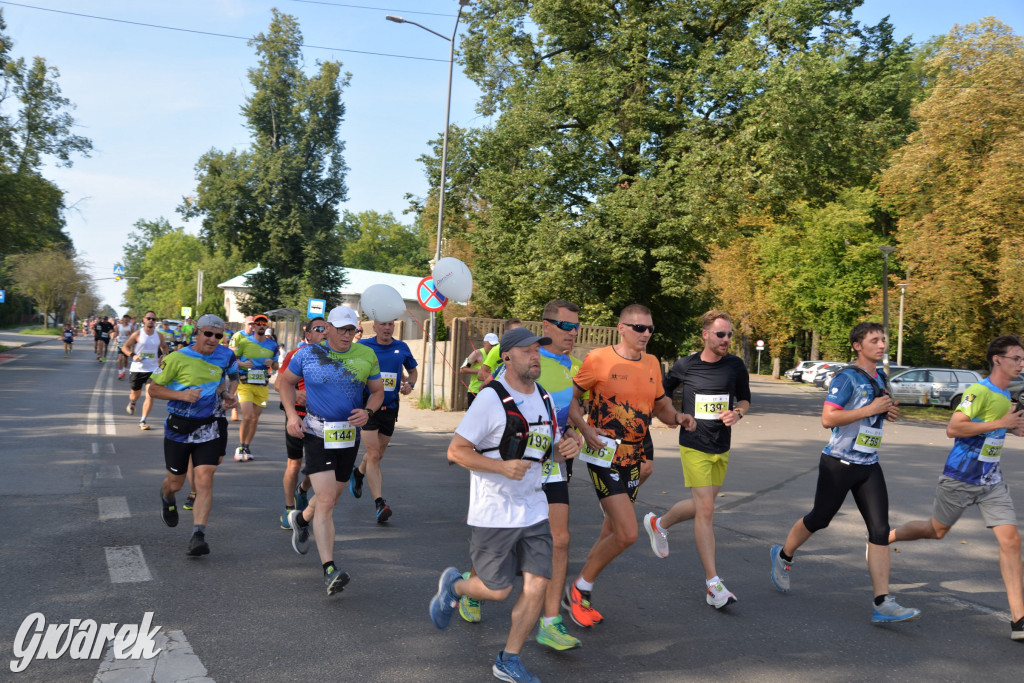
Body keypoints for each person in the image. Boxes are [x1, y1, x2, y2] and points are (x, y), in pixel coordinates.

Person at [430, 327, 580, 683]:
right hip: (495, 511)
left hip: (534, 508)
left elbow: (545, 450)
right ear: (507, 357)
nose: (535, 357)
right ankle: (456, 586)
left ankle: (508, 659)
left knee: (537, 584)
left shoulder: (543, 397)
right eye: (527, 351)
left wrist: (563, 450)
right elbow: (456, 452)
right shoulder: (490, 399)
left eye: (538, 352)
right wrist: (500, 466)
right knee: (497, 590)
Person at [768, 322, 920, 623]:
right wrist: (870, 409)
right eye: (874, 340)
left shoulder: (882, 377)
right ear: (857, 346)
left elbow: (874, 412)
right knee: (819, 519)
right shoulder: (846, 378)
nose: (881, 344)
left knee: (879, 530)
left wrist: (887, 412)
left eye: (883, 339)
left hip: (868, 464)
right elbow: (828, 418)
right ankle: (783, 555)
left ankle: (882, 602)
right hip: (839, 463)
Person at [565, 304, 694, 627]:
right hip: (604, 455)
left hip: (633, 458)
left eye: (650, 329)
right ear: (621, 328)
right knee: (628, 533)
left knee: (610, 530)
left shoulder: (651, 363)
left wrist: (677, 417)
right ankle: (579, 589)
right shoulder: (599, 359)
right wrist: (584, 429)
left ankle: (581, 589)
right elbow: (570, 397)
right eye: (639, 328)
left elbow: (661, 404)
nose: (646, 334)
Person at [888, 335, 1024, 639]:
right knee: (936, 531)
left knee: (1011, 540)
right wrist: (1000, 424)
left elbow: (998, 429)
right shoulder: (979, 390)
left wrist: (1013, 428)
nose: (1021, 364)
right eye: (1016, 358)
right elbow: (954, 428)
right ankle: (885, 538)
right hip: (960, 477)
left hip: (991, 480)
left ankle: (1019, 620)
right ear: (998, 359)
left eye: (1023, 359)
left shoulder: (1006, 395)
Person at [643, 310, 751, 609]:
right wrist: (675, 416)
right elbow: (659, 395)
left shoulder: (735, 366)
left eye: (729, 334)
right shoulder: (685, 365)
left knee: (704, 505)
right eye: (720, 334)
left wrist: (738, 413)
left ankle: (659, 523)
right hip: (693, 445)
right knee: (706, 510)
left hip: (722, 446)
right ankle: (713, 585)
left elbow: (744, 399)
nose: (726, 339)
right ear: (705, 334)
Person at [280, 306, 384, 595]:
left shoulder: (366, 355)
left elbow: (377, 392)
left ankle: (301, 520)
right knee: (325, 499)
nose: (347, 335)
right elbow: (284, 383)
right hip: (316, 433)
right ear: (327, 328)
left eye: (351, 330)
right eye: (341, 330)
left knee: (332, 498)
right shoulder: (308, 354)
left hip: (348, 437)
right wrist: (291, 415)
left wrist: (368, 411)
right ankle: (329, 569)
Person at [149, 314, 238, 556]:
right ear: (196, 333)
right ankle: (166, 496)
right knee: (176, 483)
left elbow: (229, 378)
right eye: (208, 333)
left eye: (218, 336)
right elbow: (153, 388)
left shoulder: (225, 355)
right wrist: (182, 395)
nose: (212, 339)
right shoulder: (177, 357)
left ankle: (198, 535)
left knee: (205, 479)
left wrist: (228, 394)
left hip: (208, 426)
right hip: (178, 428)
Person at [349, 317, 418, 523]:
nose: (387, 328)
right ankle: (380, 503)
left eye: (391, 325)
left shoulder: (402, 347)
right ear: (375, 327)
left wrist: (410, 385)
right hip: (368, 407)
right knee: (373, 453)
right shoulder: (362, 346)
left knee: (377, 455)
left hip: (390, 408)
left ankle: (359, 473)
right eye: (383, 324)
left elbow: (412, 371)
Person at [274, 317, 327, 529]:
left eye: (327, 328)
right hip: (298, 416)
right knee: (295, 464)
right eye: (318, 329)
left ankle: (302, 489)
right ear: (308, 335)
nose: (324, 332)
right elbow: (279, 384)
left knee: (321, 467)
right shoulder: (296, 355)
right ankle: (289, 508)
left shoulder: (337, 356)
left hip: (324, 419)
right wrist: (295, 393)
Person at [232, 313, 279, 461]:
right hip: (245, 385)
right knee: (246, 416)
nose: (260, 325)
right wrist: (242, 364)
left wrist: (272, 363)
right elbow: (233, 360)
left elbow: (277, 366)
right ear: (253, 326)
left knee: (254, 419)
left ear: (267, 326)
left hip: (262, 387)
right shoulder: (245, 342)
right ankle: (240, 446)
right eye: (257, 323)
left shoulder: (272, 345)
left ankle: (246, 446)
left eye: (263, 323)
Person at [121, 311, 169, 431]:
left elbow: (165, 348)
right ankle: (132, 402)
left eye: (153, 319)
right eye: (149, 318)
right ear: (144, 320)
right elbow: (125, 347)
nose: (151, 321)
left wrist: (164, 355)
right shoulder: (137, 334)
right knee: (135, 394)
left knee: (150, 394)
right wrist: (133, 356)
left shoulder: (159, 336)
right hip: (137, 368)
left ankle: (143, 420)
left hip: (152, 369)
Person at [478, 319, 522, 387]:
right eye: (515, 331)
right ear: (506, 332)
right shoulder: (498, 349)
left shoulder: (524, 349)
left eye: (520, 332)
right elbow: (481, 374)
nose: (518, 334)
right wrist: (499, 382)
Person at [462, 333, 499, 407]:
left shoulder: (497, 354)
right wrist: (480, 371)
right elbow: (463, 369)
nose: (493, 347)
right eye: (491, 345)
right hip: (475, 391)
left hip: (491, 391)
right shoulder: (477, 353)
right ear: (484, 343)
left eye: (495, 345)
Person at [115, 314, 134, 379]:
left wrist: (130, 334)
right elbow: (116, 333)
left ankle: (123, 370)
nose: (126, 319)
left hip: (127, 345)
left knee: (125, 360)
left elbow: (134, 336)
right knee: (120, 359)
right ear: (123, 319)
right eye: (125, 318)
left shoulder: (131, 327)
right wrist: (115, 336)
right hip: (120, 344)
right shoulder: (118, 326)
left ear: (129, 320)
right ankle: (120, 373)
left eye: (127, 318)